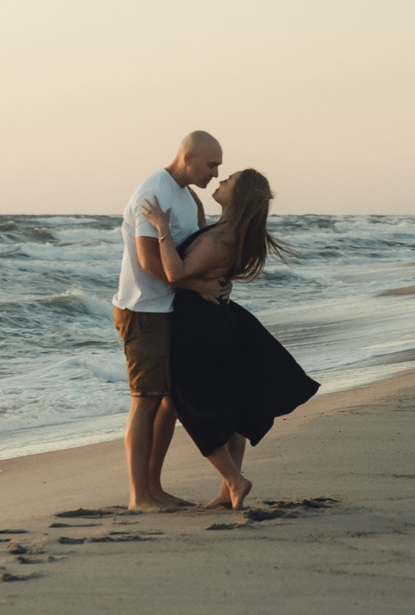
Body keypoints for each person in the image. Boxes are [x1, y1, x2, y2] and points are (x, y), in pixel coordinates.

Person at [138, 169, 320, 509]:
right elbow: (200, 236)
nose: (220, 181)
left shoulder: (221, 240)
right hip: (219, 320)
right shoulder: (229, 234)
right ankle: (227, 491)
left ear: (238, 197)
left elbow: (175, 272)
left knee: (190, 405)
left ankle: (234, 481)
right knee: (232, 403)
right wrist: (188, 192)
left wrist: (161, 229)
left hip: (198, 326)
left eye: (229, 180)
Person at [114, 131, 230, 510]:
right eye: (211, 164)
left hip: (170, 309)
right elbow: (149, 262)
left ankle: (154, 489)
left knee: (169, 402)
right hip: (143, 309)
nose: (216, 172)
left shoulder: (187, 196)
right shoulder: (154, 192)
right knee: (145, 400)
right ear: (188, 156)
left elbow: (195, 250)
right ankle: (138, 496)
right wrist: (200, 287)